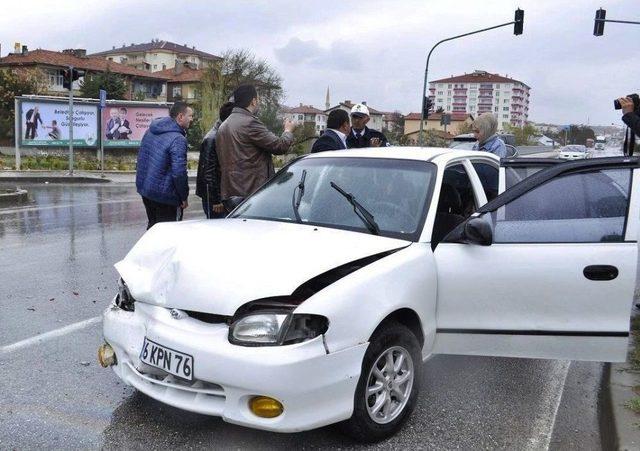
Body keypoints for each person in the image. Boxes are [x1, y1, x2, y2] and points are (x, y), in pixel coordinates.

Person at [216, 84, 297, 205]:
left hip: (230, 193)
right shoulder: (249, 122)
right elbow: (280, 146)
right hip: (251, 194)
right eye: (257, 99)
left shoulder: (223, 126)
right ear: (253, 101)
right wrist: (288, 130)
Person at [136, 101, 193, 230]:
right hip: (166, 197)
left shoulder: (151, 130)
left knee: (153, 229)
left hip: (147, 191)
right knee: (168, 234)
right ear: (180, 117)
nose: (192, 119)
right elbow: (179, 173)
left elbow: (141, 158)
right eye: (190, 115)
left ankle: (150, 251)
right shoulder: (178, 139)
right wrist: (183, 197)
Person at [196, 102, 234, 218]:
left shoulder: (220, 134)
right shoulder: (213, 138)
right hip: (215, 201)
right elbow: (209, 173)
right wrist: (217, 200)